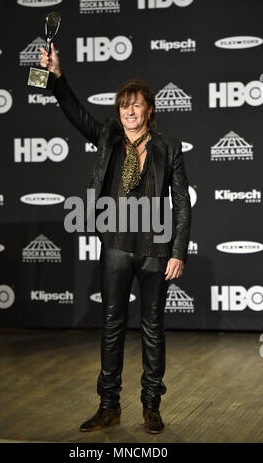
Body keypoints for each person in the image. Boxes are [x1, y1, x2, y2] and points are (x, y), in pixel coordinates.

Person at [40, 43, 191, 434]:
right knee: (111, 326)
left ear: (149, 109)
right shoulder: (108, 136)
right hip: (117, 246)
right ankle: (109, 406)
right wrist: (56, 77)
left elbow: (181, 205)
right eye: (123, 104)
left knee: (153, 329)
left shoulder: (168, 148)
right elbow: (76, 114)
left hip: (156, 250)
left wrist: (179, 251)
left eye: (136, 104)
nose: (128, 110)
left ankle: (151, 406)